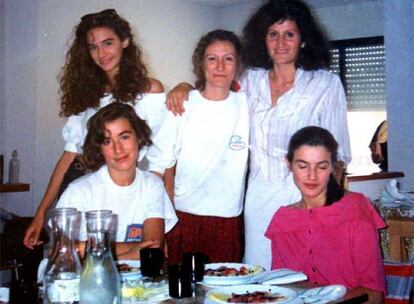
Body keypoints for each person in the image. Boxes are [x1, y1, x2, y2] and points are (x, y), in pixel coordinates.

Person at [166, 0, 351, 269]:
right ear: (263, 39)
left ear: (303, 40)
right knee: (258, 273)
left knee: (306, 273)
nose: (281, 43)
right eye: (273, 34)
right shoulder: (250, 80)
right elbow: (213, 87)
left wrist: (326, 208)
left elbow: (338, 157)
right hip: (257, 197)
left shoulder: (325, 84)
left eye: (290, 34)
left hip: (306, 194)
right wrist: (182, 86)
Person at [23, 9, 169, 249]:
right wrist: (41, 213)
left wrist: (160, 220)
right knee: (73, 257)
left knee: (122, 255)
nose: (101, 54)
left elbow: (161, 158)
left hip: (119, 186)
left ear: (125, 41)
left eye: (108, 43)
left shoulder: (148, 91)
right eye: (93, 47)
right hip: (80, 185)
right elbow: (69, 155)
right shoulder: (87, 94)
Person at [146, 30, 249, 263]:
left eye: (228, 58)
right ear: (201, 63)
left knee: (223, 292)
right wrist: (159, 218)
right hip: (183, 216)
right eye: (212, 58)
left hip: (228, 219)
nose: (220, 66)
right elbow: (158, 166)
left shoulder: (247, 104)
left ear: (238, 65)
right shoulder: (183, 104)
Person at [266, 126, 386, 303]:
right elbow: (280, 288)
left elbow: (375, 295)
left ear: (332, 167)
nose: (312, 176)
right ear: (288, 163)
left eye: (321, 167)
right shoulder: (283, 219)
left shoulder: (355, 209)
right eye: (302, 166)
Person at [56, 102, 177, 259]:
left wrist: (85, 247)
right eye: (107, 141)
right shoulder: (79, 191)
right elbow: (63, 252)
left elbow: (152, 247)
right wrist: (132, 253)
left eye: (124, 137)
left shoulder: (152, 185)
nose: (118, 149)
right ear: (99, 148)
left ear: (139, 138)